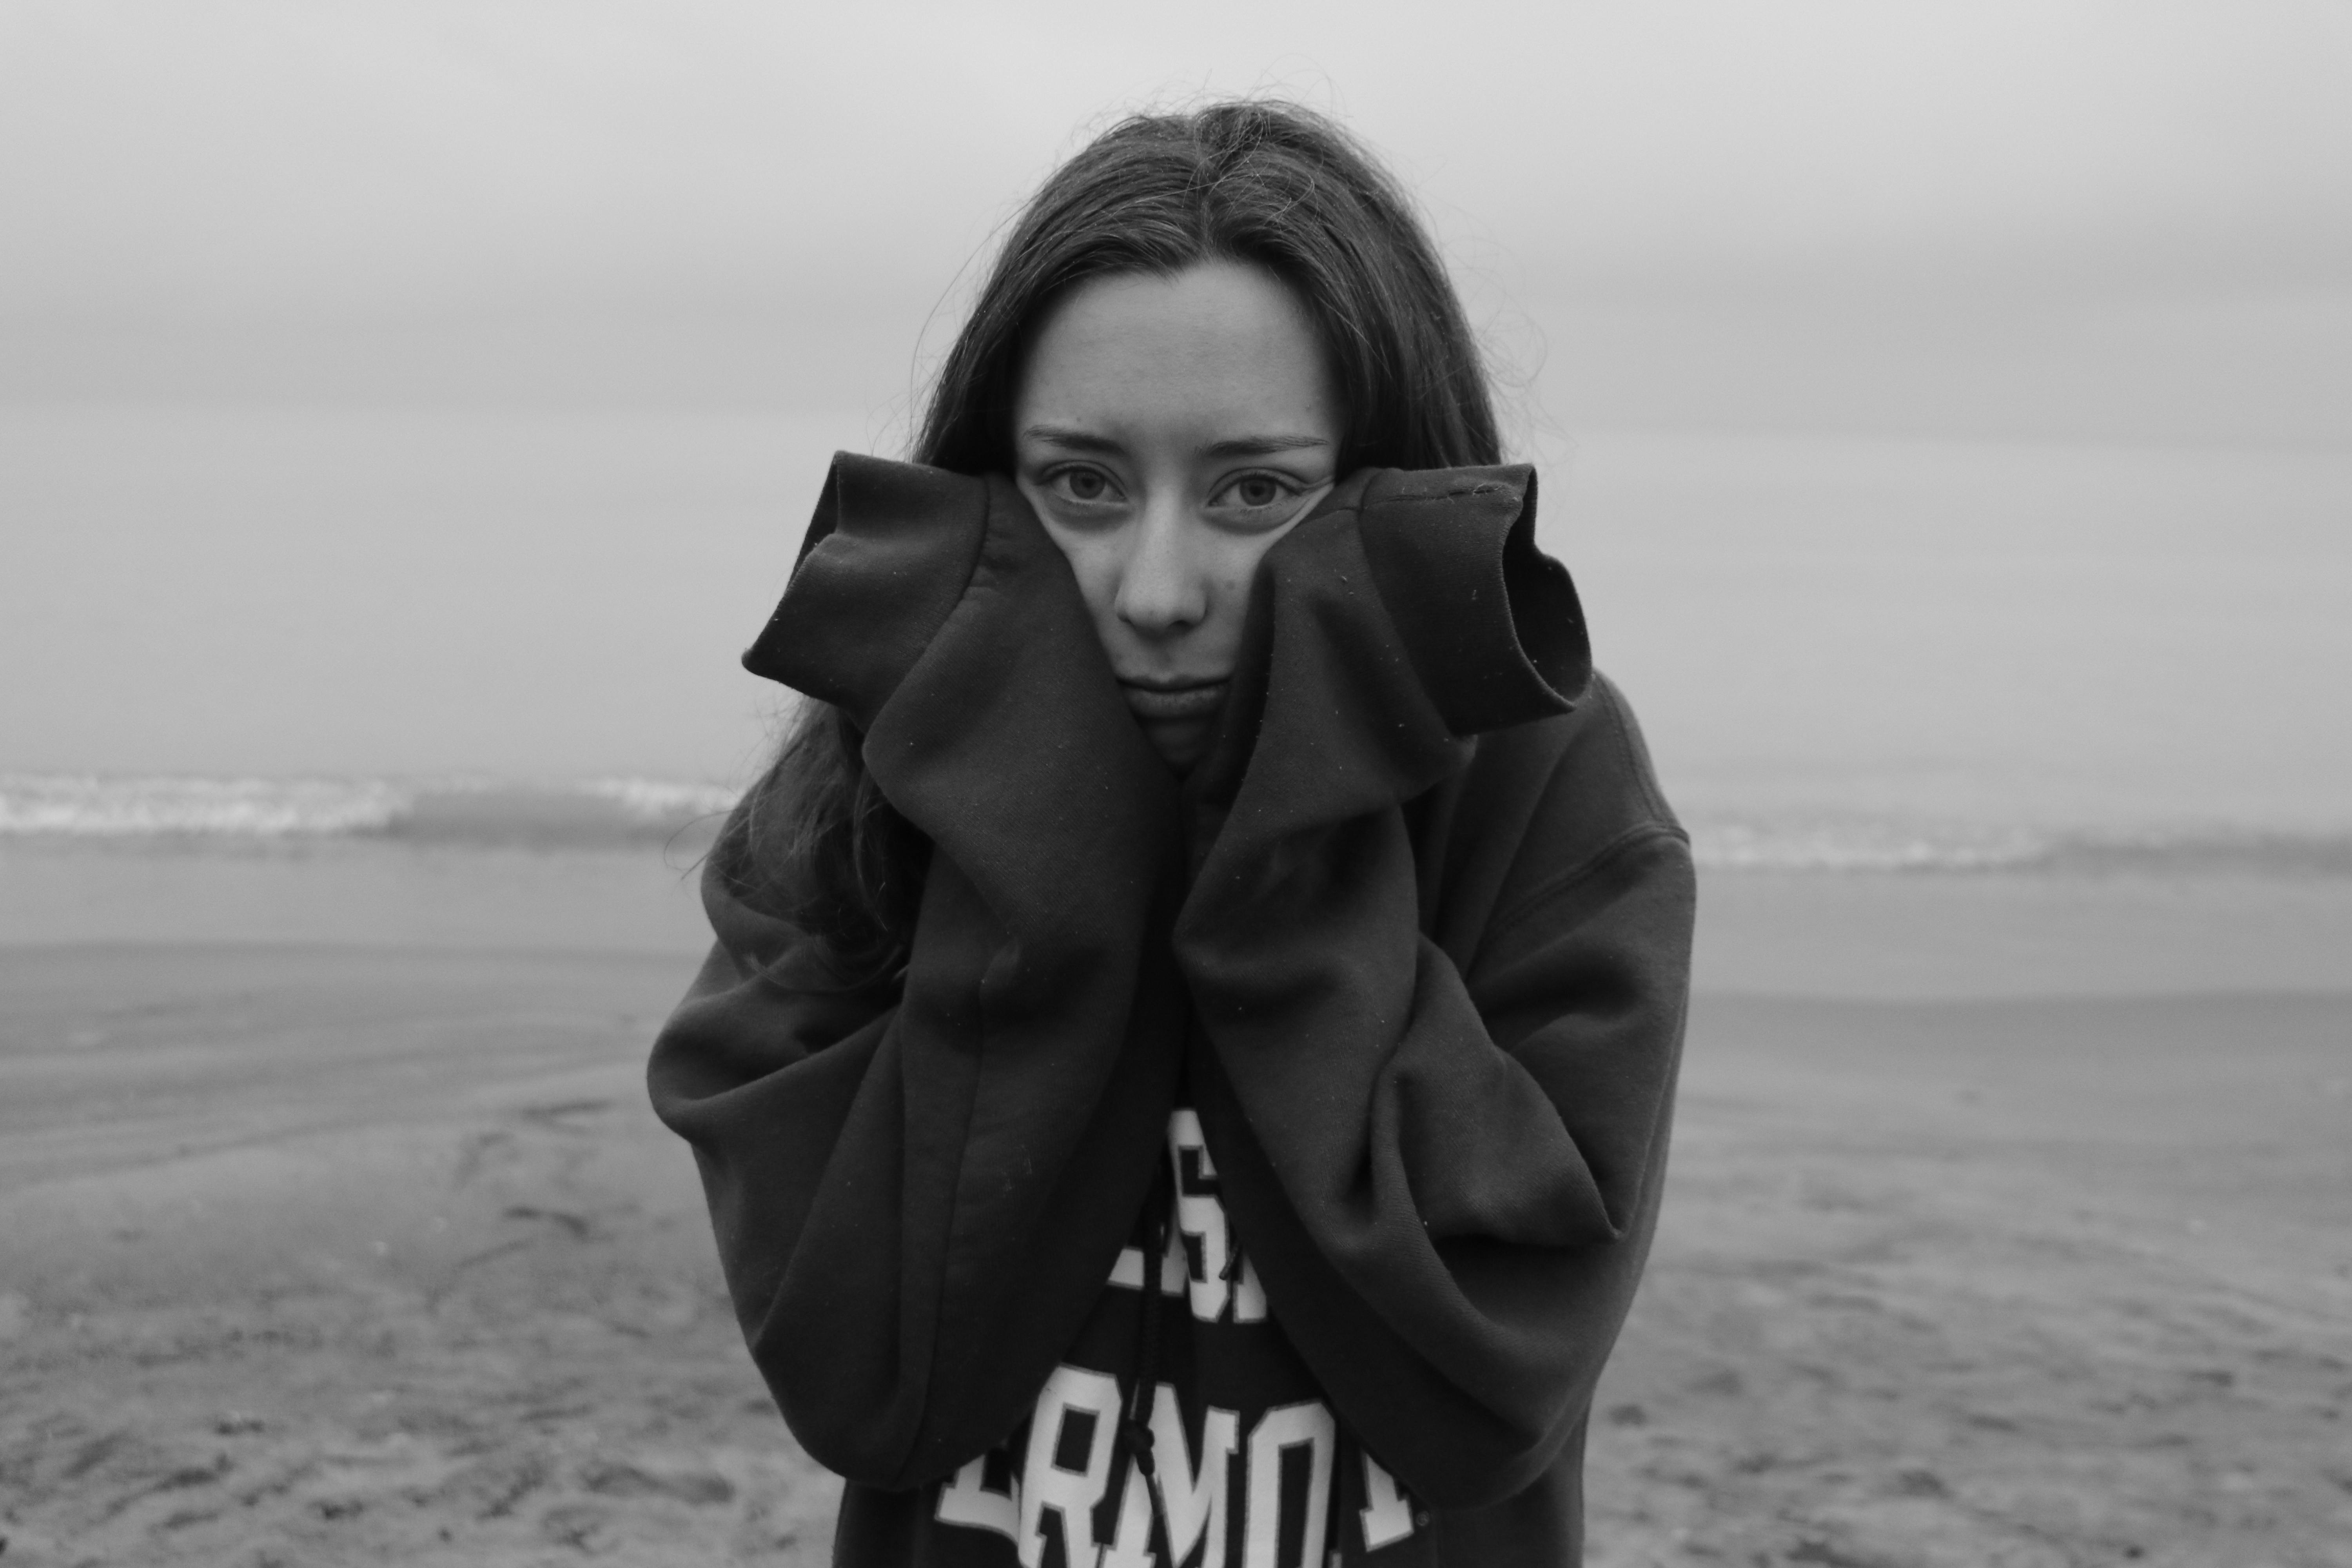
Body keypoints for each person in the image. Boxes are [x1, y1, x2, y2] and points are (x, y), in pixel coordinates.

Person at [650, 100, 1695, 1568]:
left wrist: (1287, 834)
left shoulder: (1546, 784)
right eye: (1082, 485)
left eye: (1255, 493)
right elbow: (870, 1388)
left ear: (1386, 493)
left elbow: (1483, 1394)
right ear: (990, 488)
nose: (1154, 589)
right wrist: (1045, 833)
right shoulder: (861, 800)